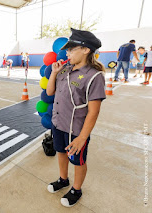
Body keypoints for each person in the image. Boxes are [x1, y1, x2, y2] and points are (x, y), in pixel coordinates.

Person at [46, 28, 106, 207]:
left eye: (72, 49)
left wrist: (82, 137)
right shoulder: (65, 69)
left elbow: (94, 111)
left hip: (76, 129)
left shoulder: (94, 76)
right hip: (58, 123)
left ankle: (76, 189)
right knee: (61, 152)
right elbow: (50, 92)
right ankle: (63, 179)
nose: (67, 52)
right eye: (67, 50)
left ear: (86, 50)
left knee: (78, 161)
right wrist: (55, 73)